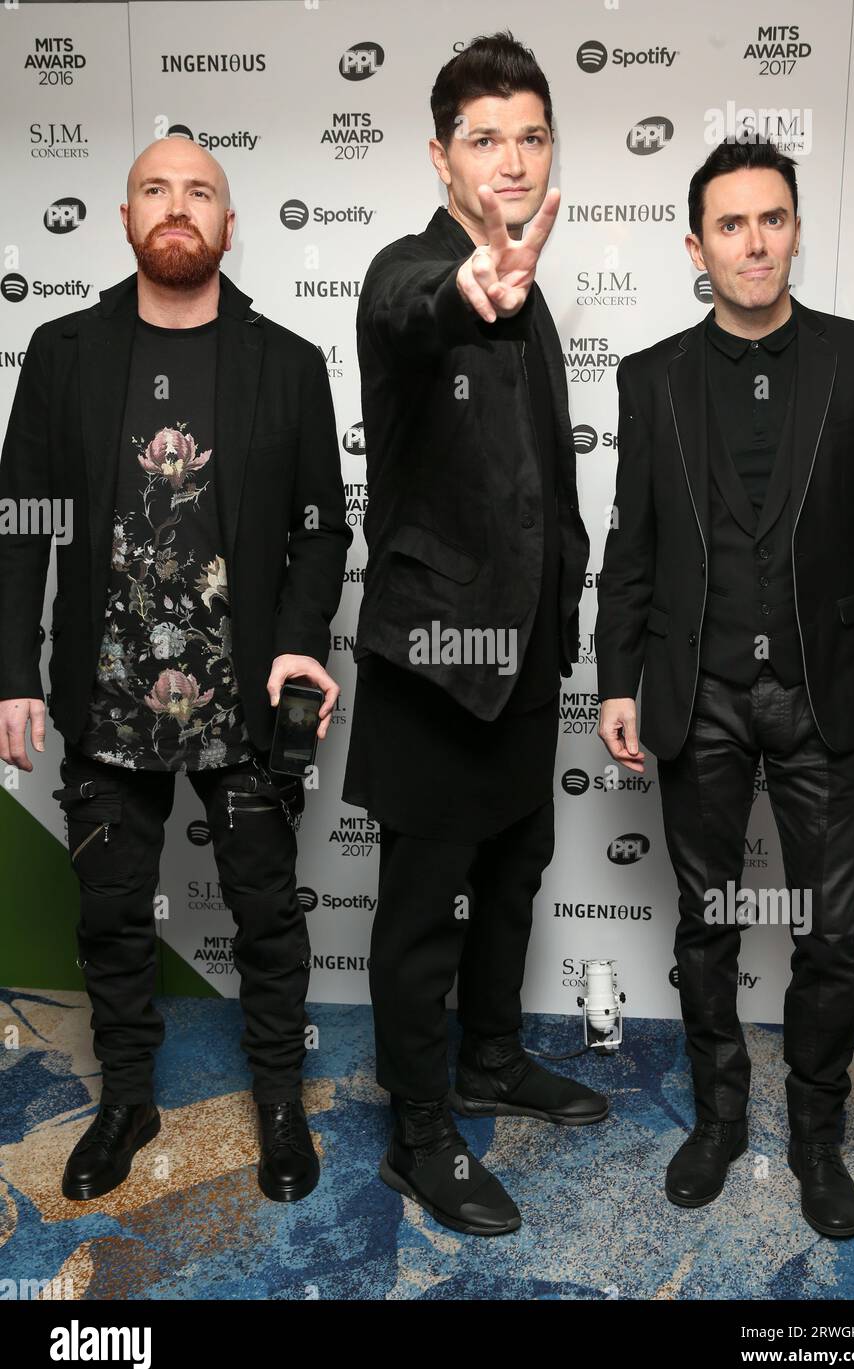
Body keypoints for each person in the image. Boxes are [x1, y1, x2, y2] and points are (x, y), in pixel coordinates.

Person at [0, 135, 350, 1204]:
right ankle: (128, 1098)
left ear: (228, 225)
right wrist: (13, 667)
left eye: (200, 192)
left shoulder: (284, 361)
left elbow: (323, 530)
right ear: (125, 217)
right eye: (157, 189)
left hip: (243, 701)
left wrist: (298, 635)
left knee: (265, 913)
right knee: (110, 914)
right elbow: (23, 524)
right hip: (104, 700)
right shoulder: (64, 353)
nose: (178, 207)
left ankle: (281, 1103)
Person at [596, 136, 854, 1239]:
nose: (752, 241)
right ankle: (718, 1117)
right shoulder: (647, 378)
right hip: (695, 692)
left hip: (825, 691)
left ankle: (815, 1137)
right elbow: (628, 546)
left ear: (793, 226)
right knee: (704, 926)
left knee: (828, 933)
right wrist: (613, 678)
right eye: (729, 223)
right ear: (697, 244)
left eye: (770, 218)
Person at [342, 30, 606, 1237]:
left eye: (530, 137)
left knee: (513, 876)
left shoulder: (535, 286)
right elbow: (411, 315)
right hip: (435, 661)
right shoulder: (414, 273)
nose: (510, 160)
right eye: (484, 139)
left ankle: (491, 1055)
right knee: (420, 915)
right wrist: (462, 290)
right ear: (439, 156)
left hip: (523, 656)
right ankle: (419, 1130)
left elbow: (536, 475)